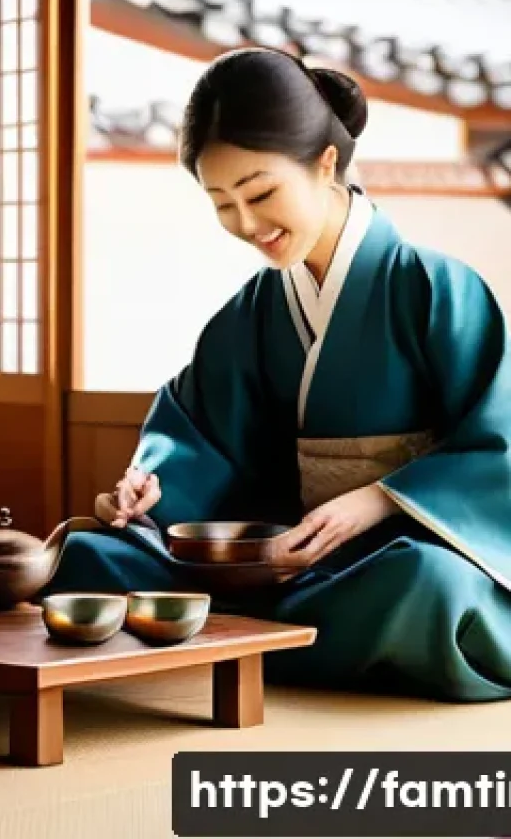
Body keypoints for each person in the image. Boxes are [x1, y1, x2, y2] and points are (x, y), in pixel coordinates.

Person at [45, 46, 511, 702]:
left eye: (261, 192)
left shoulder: (435, 288)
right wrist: (149, 488)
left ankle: (239, 639)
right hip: (285, 561)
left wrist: (379, 499)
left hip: (390, 556)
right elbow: (196, 431)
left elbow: (499, 447)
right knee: (90, 558)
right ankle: (271, 637)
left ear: (325, 163)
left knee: (436, 589)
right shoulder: (256, 312)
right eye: (222, 203)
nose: (246, 224)